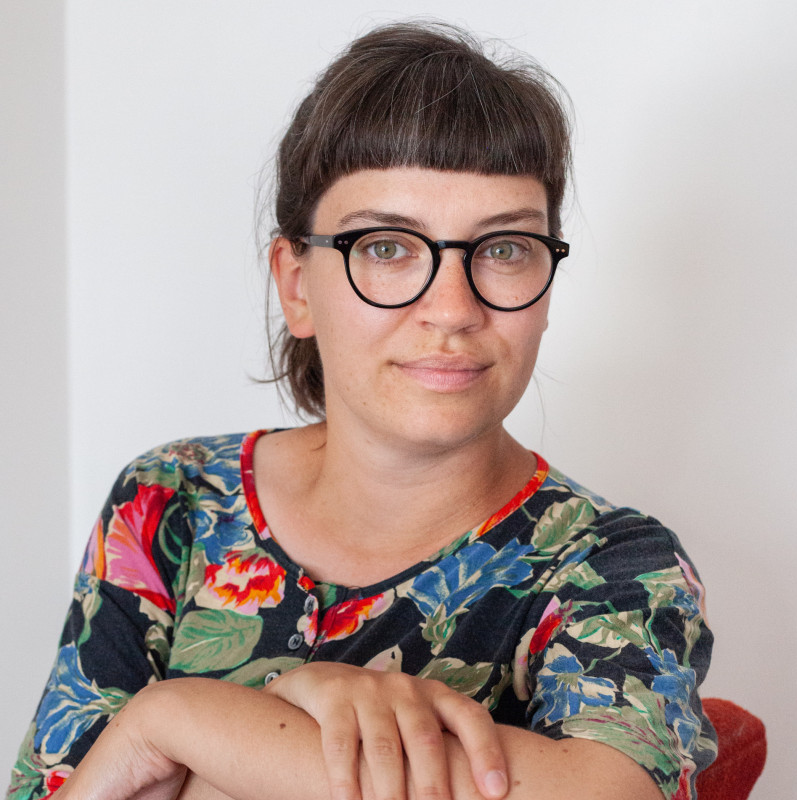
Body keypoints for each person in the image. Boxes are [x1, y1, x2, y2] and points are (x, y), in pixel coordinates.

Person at [6, 21, 717, 800]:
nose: (451, 309)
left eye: (506, 247)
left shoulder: (617, 570)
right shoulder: (169, 502)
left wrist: (173, 720)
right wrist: (266, 719)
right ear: (296, 284)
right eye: (386, 247)